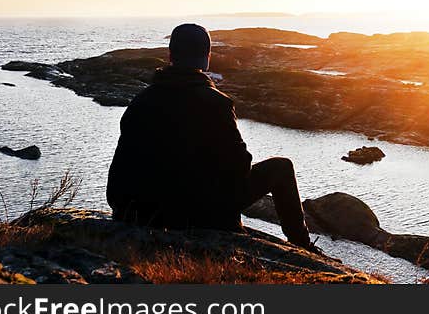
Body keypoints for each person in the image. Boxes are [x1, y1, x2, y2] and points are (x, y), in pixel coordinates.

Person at [106, 23, 320, 253]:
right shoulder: (217, 103)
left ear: (170, 55)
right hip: (201, 215)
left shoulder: (140, 102)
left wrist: (126, 212)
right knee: (281, 167)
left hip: (142, 212)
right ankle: (301, 244)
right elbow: (240, 167)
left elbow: (121, 169)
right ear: (207, 57)